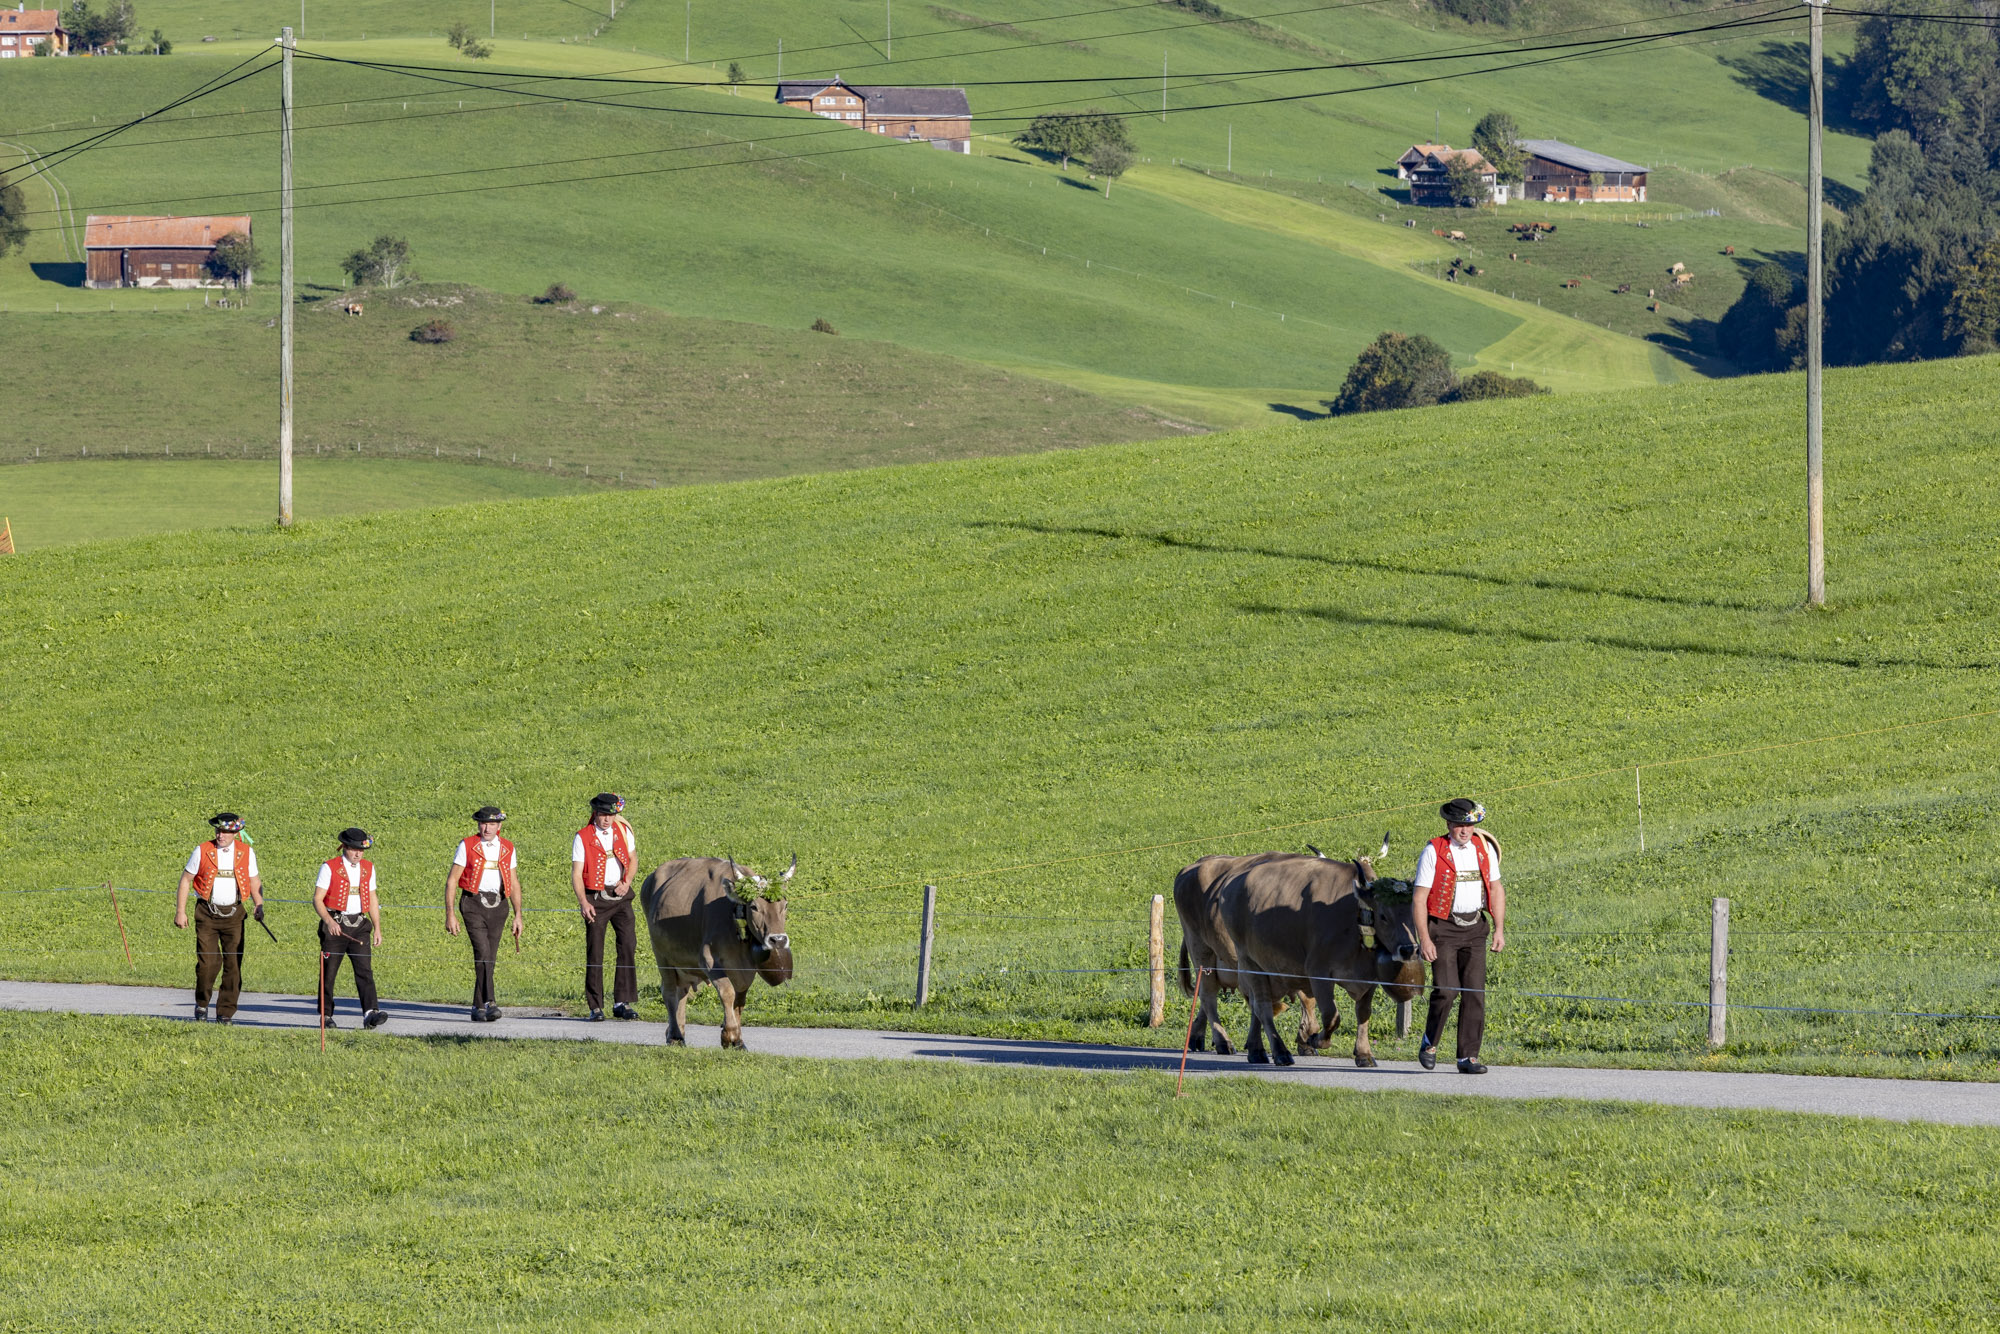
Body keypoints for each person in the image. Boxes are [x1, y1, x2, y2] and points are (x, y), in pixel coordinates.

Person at [1413, 797, 1506, 1074]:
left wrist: (1499, 929)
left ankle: (1468, 1057)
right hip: (1443, 929)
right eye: (1458, 825)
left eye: (1469, 825)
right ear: (1448, 824)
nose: (1464, 830)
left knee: (1474, 993)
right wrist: (1424, 939)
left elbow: (1496, 889)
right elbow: (1419, 899)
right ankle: (1430, 1042)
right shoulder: (1433, 851)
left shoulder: (1484, 849)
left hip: (1476, 928)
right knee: (1446, 990)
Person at [173, 812, 267, 1023]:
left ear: (235, 833)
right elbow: (186, 880)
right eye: (218, 830)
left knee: (233, 965)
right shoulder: (202, 850)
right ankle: (202, 1003)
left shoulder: (246, 852)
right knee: (208, 963)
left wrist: (258, 904)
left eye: (225, 831)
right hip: (207, 914)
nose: (220, 835)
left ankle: (225, 1012)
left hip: (234, 915)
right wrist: (180, 911)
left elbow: (254, 880)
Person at [445, 805, 523, 1023]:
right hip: (473, 904)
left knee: (489, 957)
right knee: (482, 951)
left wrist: (518, 914)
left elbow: (514, 881)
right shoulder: (467, 845)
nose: (487, 828)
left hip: (499, 905)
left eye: (491, 824)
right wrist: (450, 913)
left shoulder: (508, 847)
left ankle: (477, 1006)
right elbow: (452, 880)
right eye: (483, 824)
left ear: (499, 826)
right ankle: (490, 1002)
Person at [571, 792, 638, 1021]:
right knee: (595, 951)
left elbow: (633, 859)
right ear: (595, 814)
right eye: (603, 815)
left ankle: (622, 1002)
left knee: (628, 945)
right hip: (596, 899)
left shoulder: (623, 831)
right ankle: (596, 1006)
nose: (607, 819)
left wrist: (627, 881)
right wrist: (584, 902)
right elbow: (577, 873)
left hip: (621, 896)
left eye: (611, 815)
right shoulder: (582, 837)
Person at [315, 827, 389, 1030]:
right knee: (329, 973)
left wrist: (377, 928)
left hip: (360, 925)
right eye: (354, 849)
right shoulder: (329, 867)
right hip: (335, 925)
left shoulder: (368, 868)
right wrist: (329, 921)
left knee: (365, 970)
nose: (358, 854)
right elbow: (318, 899)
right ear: (345, 847)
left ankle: (370, 1013)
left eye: (361, 850)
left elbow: (372, 898)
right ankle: (326, 1015)